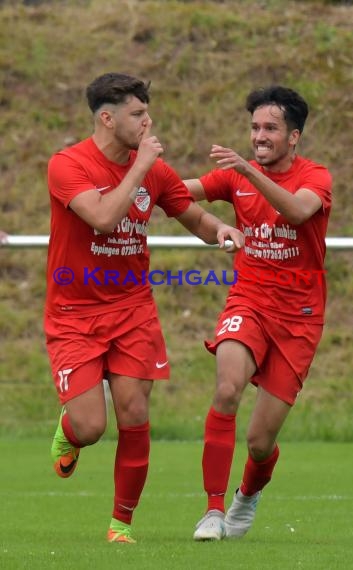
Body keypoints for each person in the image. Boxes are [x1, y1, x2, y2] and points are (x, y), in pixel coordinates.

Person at [45, 72, 244, 544]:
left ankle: (121, 525)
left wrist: (220, 230)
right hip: (74, 312)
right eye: (137, 114)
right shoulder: (67, 165)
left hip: (133, 309)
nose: (147, 121)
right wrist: (141, 168)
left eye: (146, 112)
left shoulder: (152, 169)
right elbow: (102, 218)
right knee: (93, 425)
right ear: (108, 119)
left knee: (134, 412)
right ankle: (71, 433)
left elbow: (191, 213)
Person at [184, 85, 332, 541]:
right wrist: (134, 184)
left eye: (270, 128)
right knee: (227, 388)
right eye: (254, 128)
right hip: (248, 300)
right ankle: (211, 511)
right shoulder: (232, 178)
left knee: (259, 441)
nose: (259, 136)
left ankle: (246, 496)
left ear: (294, 137)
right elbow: (176, 192)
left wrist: (247, 170)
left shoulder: (316, 177)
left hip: (299, 317)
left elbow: (297, 212)